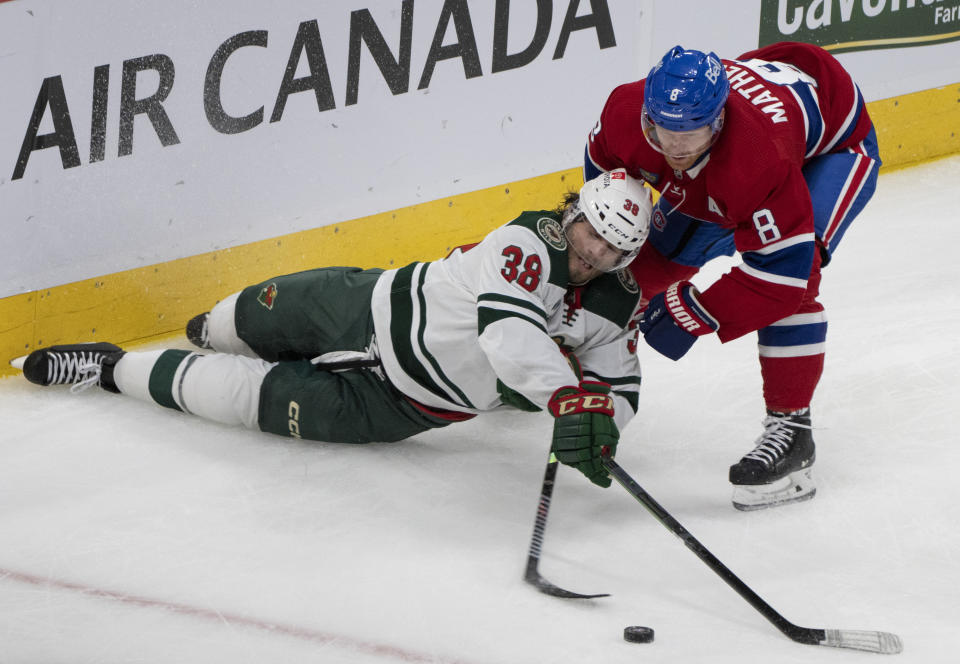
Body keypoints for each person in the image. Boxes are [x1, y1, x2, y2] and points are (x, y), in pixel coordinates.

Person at [14, 169, 652, 488]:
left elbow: (620, 390)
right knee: (233, 319)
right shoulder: (527, 238)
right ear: (574, 212)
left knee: (242, 400)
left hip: (401, 405)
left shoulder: (615, 304)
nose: (595, 254)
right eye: (592, 232)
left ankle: (107, 369)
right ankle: (216, 330)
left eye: (615, 251)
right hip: (366, 303)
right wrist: (564, 396)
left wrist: (601, 428)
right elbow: (508, 334)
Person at [584, 42, 881, 510]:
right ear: (647, 112)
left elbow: (782, 281)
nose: (676, 146)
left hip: (833, 152)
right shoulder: (624, 111)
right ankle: (571, 351)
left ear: (719, 119)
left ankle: (793, 433)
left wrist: (695, 312)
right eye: (665, 130)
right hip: (749, 143)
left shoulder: (756, 158)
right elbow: (602, 203)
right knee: (640, 268)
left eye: (692, 131)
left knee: (803, 280)